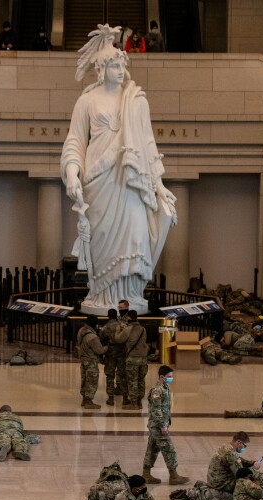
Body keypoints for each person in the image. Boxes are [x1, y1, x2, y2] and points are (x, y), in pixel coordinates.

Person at [62, 25, 176, 312]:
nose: (120, 69)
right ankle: (102, 297)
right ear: (101, 68)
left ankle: (131, 295)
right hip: (99, 183)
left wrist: (159, 186)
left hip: (131, 178)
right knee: (103, 241)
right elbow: (75, 140)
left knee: (135, 234)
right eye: (114, 65)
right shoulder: (86, 101)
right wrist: (73, 172)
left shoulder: (136, 100)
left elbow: (148, 143)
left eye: (122, 64)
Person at [143, 365, 189, 485]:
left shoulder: (164, 387)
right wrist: (163, 425)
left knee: (152, 449)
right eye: (169, 377)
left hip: (156, 425)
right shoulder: (158, 390)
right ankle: (173, 476)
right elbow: (156, 409)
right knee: (169, 449)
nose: (171, 379)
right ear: (162, 377)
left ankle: (146, 474)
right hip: (158, 426)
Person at [206, 431, 259, 499]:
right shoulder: (231, 454)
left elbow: (238, 460)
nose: (244, 448)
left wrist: (251, 463)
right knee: (250, 481)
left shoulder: (226, 447)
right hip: (220, 484)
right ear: (239, 442)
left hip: (213, 480)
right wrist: (254, 468)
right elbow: (240, 475)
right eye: (244, 445)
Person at [115, 311, 148, 409]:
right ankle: (139, 402)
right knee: (141, 380)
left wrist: (118, 330)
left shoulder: (127, 330)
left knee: (132, 380)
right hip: (143, 358)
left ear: (129, 318)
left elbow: (118, 339)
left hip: (132, 358)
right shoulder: (143, 329)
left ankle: (133, 403)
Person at [76, 315, 107, 410]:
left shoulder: (81, 330)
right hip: (91, 361)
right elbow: (99, 350)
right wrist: (107, 347)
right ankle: (89, 401)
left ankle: (84, 399)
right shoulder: (92, 336)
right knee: (92, 381)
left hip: (83, 360)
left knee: (84, 379)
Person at [99, 309, 125, 404]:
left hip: (110, 353)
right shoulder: (121, 326)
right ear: (116, 316)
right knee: (121, 373)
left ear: (108, 316)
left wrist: (101, 356)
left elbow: (101, 341)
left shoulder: (105, 327)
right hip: (122, 352)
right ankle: (122, 394)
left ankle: (110, 398)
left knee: (110, 375)